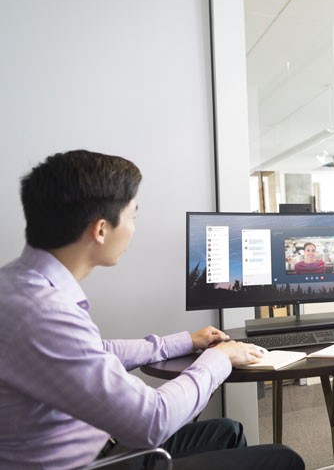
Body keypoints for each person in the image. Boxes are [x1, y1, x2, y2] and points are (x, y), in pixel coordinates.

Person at [0, 150, 304, 470]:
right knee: (281, 459)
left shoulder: (21, 285)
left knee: (227, 431)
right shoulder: (41, 313)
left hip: (104, 444)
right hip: (95, 462)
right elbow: (152, 421)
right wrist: (220, 358)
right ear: (101, 229)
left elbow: (93, 352)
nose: (133, 228)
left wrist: (184, 341)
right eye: (133, 216)